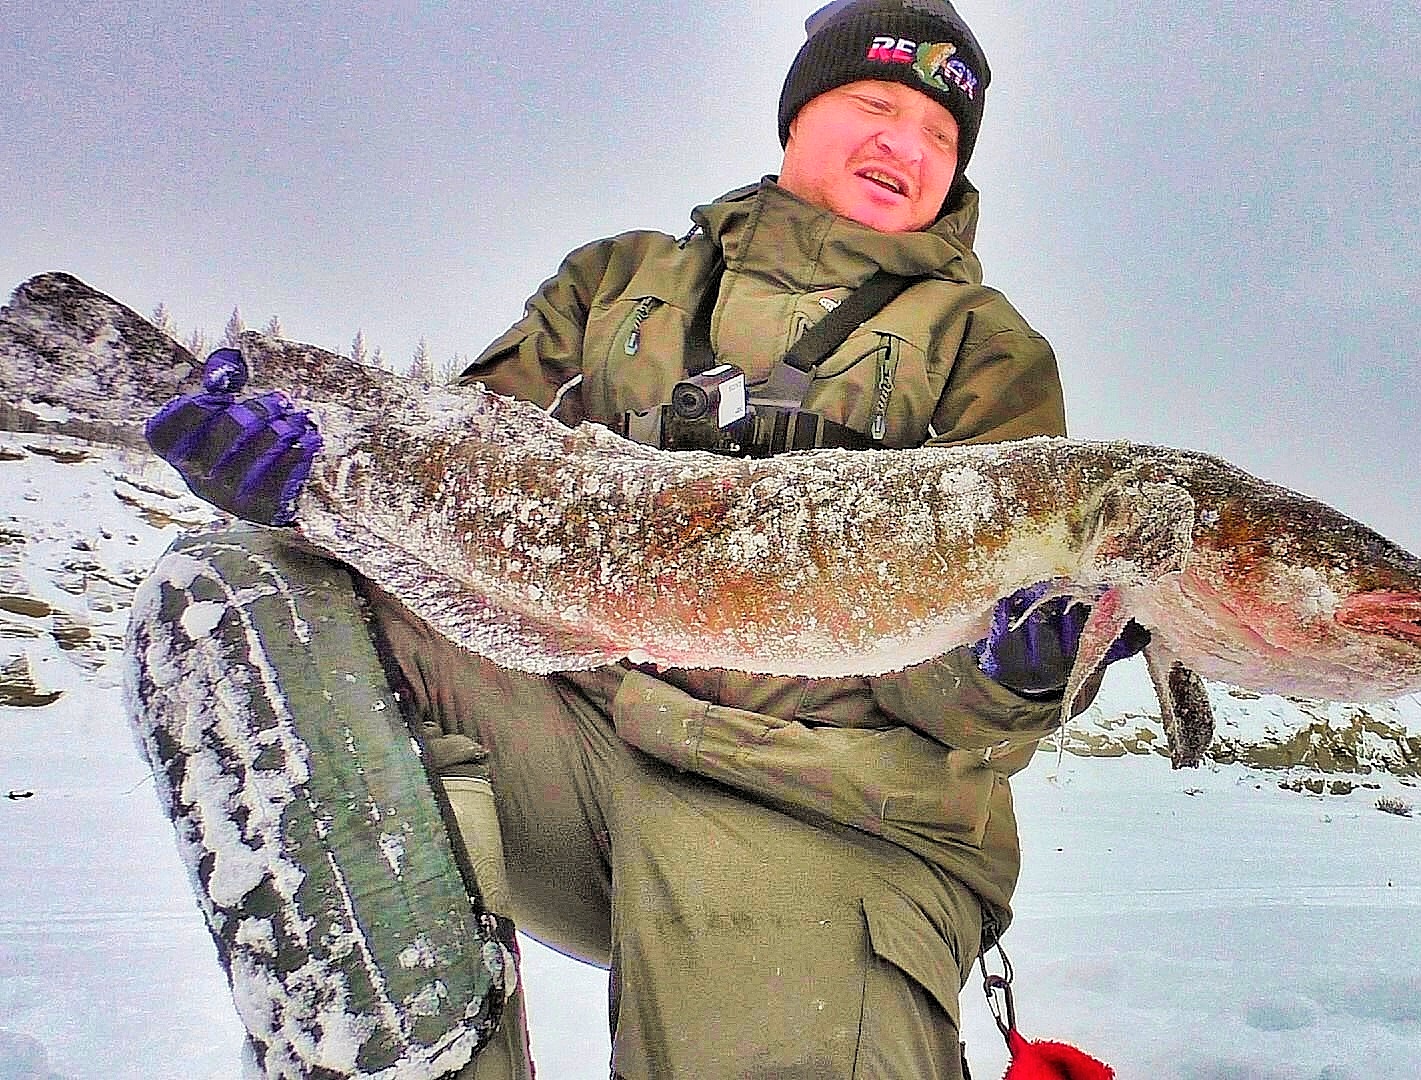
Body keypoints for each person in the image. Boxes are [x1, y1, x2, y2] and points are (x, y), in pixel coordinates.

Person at [146, 2, 1143, 1076]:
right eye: (876, 104)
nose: (909, 145)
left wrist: (1015, 677)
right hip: (574, 740)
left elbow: (971, 711)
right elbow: (451, 476)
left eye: (944, 137)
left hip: (833, 806)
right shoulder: (613, 285)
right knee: (243, 591)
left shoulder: (990, 355)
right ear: (799, 112)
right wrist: (305, 486)